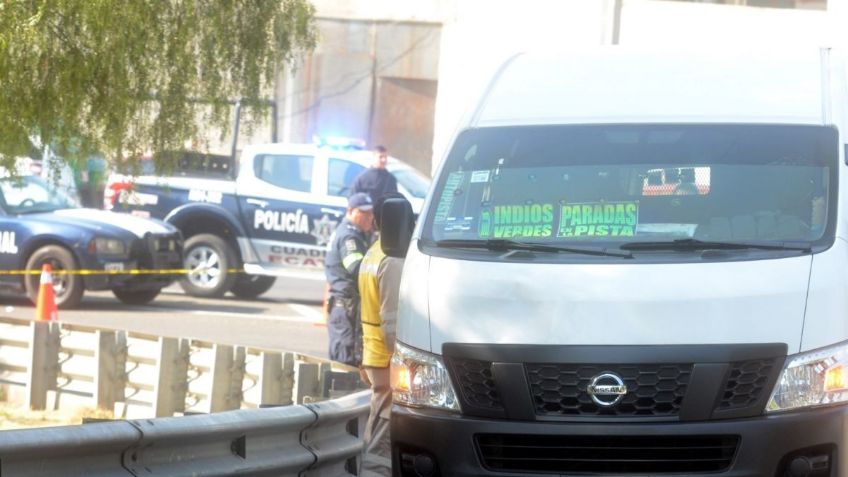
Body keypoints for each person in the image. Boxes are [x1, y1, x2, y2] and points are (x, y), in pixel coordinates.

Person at [358, 192, 406, 477]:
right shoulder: (392, 259)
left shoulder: (373, 252)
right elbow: (392, 321)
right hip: (386, 357)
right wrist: (403, 361)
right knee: (383, 427)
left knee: (377, 420)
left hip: (373, 353)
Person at [324, 192, 374, 366]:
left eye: (371, 213)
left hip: (344, 308)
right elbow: (356, 268)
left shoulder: (351, 232)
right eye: (364, 213)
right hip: (346, 309)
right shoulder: (349, 236)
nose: (370, 217)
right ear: (351, 211)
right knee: (345, 362)